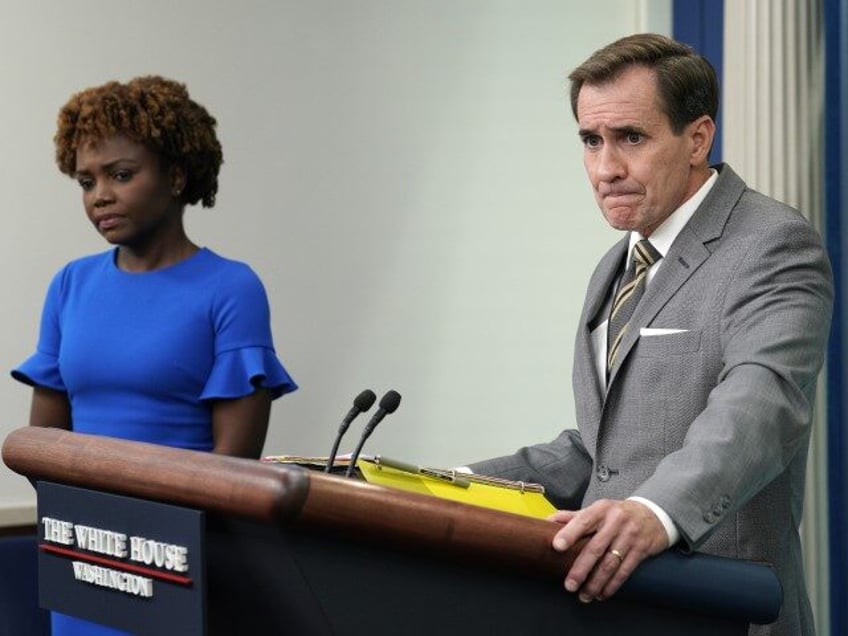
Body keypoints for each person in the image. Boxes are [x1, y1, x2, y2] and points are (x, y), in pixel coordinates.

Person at [469, 33, 832, 636]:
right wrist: (437, 486)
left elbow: (762, 403)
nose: (606, 168)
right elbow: (605, 450)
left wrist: (656, 512)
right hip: (617, 613)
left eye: (631, 138)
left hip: (723, 612)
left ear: (697, 139)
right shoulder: (618, 263)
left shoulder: (771, 243)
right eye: (592, 141)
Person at [11, 76, 297, 635]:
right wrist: (94, 533)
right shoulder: (70, 284)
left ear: (176, 176)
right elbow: (42, 449)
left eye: (121, 175)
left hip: (179, 563)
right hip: (84, 555)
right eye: (86, 181)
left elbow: (230, 466)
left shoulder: (230, 288)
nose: (100, 196)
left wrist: (142, 538)